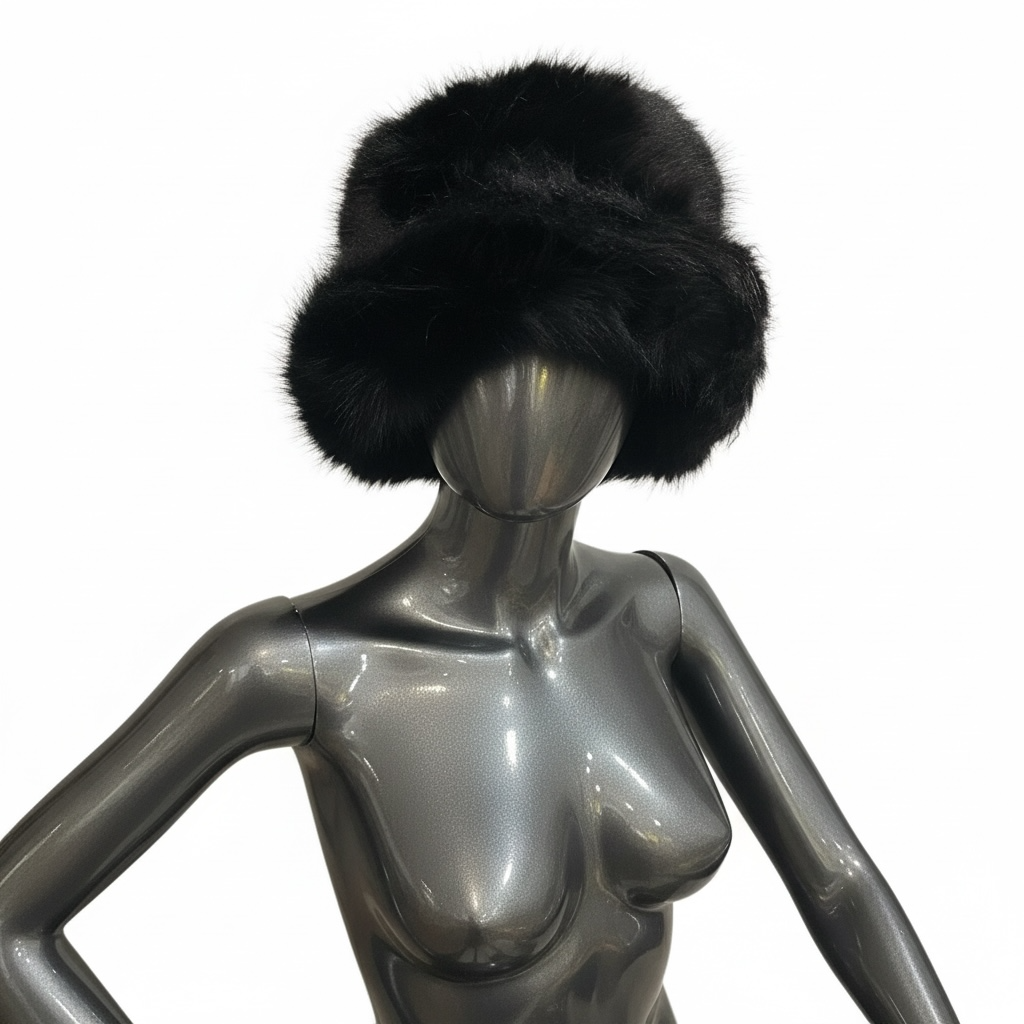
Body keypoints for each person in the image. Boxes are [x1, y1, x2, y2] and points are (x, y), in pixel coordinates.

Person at [0, 61, 959, 1024]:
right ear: (412, 379)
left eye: (579, 354)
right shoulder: (301, 665)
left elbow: (841, 883)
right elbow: (11, 926)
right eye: (478, 356)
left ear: (649, 383)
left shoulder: (662, 609)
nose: (525, 404)